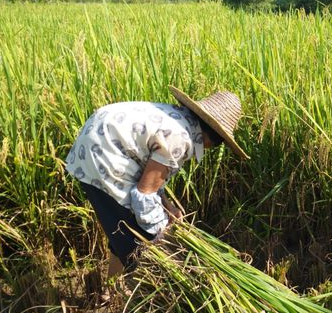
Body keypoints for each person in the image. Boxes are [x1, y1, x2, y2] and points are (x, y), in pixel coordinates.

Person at [65, 86, 249, 301]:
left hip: (93, 147)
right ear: (214, 140)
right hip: (104, 157)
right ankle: (146, 303)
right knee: (138, 240)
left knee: (120, 227)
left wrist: (167, 207)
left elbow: (150, 178)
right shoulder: (182, 139)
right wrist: (162, 233)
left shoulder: (178, 120)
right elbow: (144, 194)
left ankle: (109, 289)